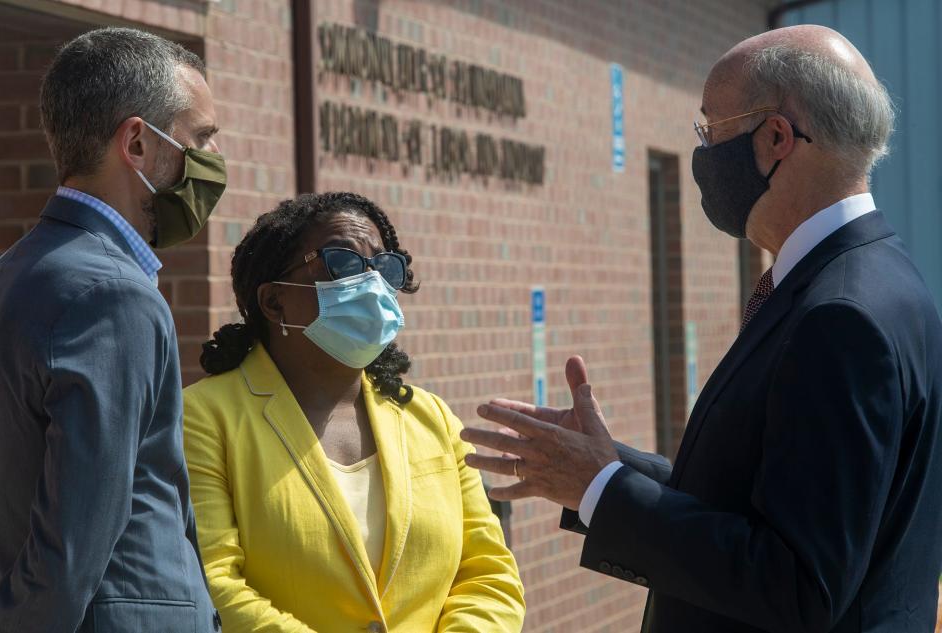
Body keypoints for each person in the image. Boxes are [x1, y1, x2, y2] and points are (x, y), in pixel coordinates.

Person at [461, 24, 942, 633]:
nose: (702, 152)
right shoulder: (881, 276)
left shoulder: (839, 315)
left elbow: (795, 585)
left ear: (774, 138)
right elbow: (765, 502)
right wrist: (607, 468)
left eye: (710, 128)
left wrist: (601, 489)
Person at [183, 192, 525, 632]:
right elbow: (216, 586)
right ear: (274, 302)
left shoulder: (433, 419)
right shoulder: (205, 418)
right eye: (343, 262)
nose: (373, 284)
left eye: (385, 267)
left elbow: (489, 574)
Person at [0, 28, 226, 633]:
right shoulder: (112, 295)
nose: (211, 164)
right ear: (138, 143)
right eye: (199, 140)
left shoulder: (6, 275)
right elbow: (74, 538)